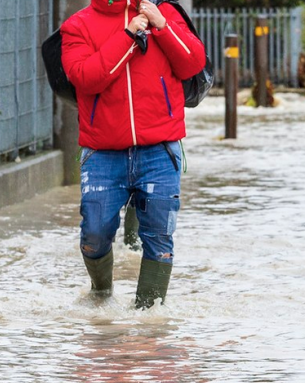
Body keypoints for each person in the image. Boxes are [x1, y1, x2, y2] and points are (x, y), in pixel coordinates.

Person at [59, 0, 206, 309]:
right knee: (94, 234)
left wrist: (162, 26)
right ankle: (101, 295)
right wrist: (127, 35)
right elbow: (86, 78)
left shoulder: (167, 11)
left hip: (160, 149)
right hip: (102, 152)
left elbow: (193, 64)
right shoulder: (78, 25)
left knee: (159, 238)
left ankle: (148, 322)